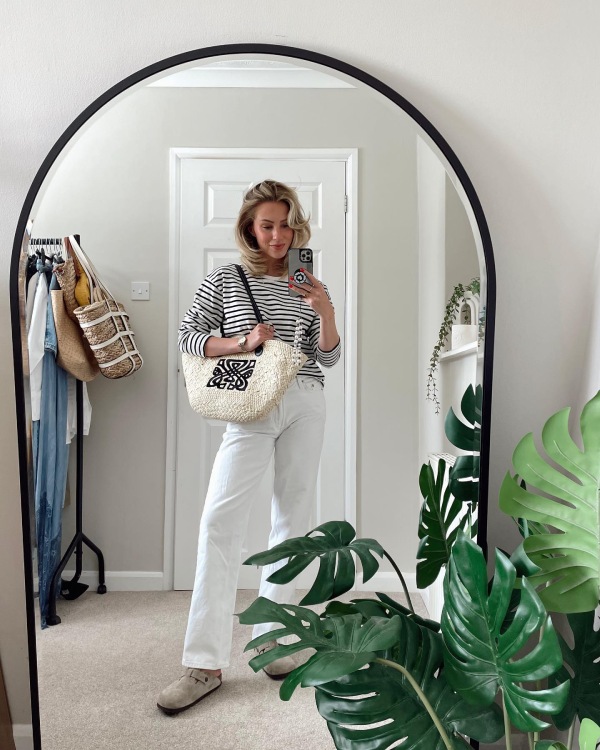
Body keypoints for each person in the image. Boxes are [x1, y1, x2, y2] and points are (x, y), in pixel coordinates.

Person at [157, 180, 341, 715]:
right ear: (249, 229)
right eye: (268, 225)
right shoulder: (226, 279)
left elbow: (327, 358)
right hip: (253, 403)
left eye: (286, 224)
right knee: (219, 521)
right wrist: (245, 341)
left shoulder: (308, 282)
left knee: (293, 520)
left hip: (306, 399)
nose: (279, 235)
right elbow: (189, 338)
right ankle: (204, 663)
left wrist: (324, 306)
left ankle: (270, 641)